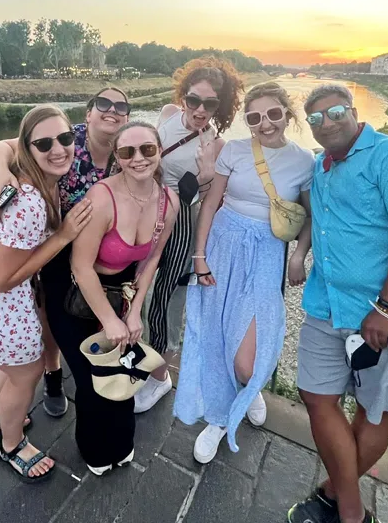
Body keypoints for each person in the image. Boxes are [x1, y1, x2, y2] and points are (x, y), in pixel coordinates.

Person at [286, 84, 388, 523]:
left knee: (374, 409)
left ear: (353, 111)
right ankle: (351, 506)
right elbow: (315, 217)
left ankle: (339, 501)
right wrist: (298, 253)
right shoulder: (321, 166)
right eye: (314, 118)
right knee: (316, 396)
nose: (326, 122)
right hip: (327, 303)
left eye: (335, 111)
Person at [0, 105, 93, 482]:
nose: (58, 149)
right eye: (44, 143)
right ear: (28, 148)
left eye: (65, 138)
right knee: (27, 371)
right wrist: (63, 236)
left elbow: (2, 147)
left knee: (10, 362)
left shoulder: (34, 174)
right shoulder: (27, 202)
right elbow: (3, 281)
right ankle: (12, 445)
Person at [173, 82, 314, 463]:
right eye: (254, 117)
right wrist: (199, 255)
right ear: (246, 121)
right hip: (223, 244)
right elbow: (210, 204)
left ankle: (248, 388)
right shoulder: (234, 151)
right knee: (216, 331)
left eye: (273, 114)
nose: (265, 123)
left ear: (288, 113)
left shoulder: (304, 161)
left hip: (267, 253)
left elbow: (307, 215)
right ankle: (219, 418)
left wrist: (299, 254)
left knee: (247, 357)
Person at [0, 87, 130, 418]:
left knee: (93, 314)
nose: (112, 110)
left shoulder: (128, 151)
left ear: (128, 117)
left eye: (121, 106)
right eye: (103, 102)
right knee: (48, 316)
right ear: (88, 113)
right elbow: (2, 146)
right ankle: (53, 374)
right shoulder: (64, 137)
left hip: (99, 251)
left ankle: (93, 370)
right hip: (55, 245)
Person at [61, 121, 178, 475]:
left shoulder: (168, 202)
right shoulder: (102, 197)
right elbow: (80, 266)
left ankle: (122, 443)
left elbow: (152, 258)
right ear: (117, 156)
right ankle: (95, 450)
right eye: (127, 152)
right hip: (79, 291)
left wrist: (134, 312)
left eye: (147, 149)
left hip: (124, 290)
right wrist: (110, 319)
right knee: (91, 379)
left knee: (124, 372)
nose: (138, 159)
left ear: (160, 151)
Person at [135, 57, 244, 414]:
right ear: (182, 97)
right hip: (141, 213)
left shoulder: (217, 145)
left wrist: (206, 174)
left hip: (179, 221)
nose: (200, 109)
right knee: (135, 288)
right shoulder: (166, 114)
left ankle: (159, 379)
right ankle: (139, 359)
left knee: (166, 299)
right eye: (194, 100)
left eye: (210, 104)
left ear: (219, 106)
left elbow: (204, 197)